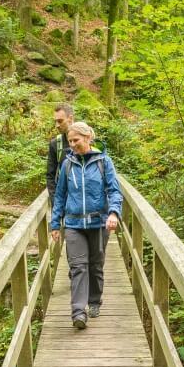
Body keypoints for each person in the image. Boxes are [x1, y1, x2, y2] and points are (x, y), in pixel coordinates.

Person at [49, 121, 122, 330]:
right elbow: (60, 195)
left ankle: (94, 301)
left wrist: (114, 212)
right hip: (73, 223)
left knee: (96, 264)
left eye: (76, 140)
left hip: (99, 222)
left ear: (88, 138)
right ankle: (78, 312)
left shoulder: (103, 162)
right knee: (78, 266)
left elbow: (114, 190)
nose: (72, 144)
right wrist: (55, 224)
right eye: (70, 141)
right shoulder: (67, 164)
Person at [46, 103, 74, 198]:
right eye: (55, 121)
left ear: (70, 119)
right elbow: (50, 176)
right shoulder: (55, 144)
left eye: (60, 121)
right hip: (64, 202)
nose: (57, 125)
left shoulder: (87, 140)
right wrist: (55, 203)